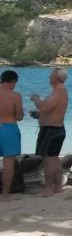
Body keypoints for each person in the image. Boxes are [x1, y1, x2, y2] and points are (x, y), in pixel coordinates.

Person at [31, 68, 69, 196]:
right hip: (54, 128)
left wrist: (36, 98)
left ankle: (48, 188)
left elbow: (45, 107)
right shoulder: (59, 92)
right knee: (54, 159)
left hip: (52, 130)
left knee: (49, 160)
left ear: (57, 77)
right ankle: (58, 186)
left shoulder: (59, 92)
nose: (48, 77)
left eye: (51, 75)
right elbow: (49, 110)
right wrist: (39, 115)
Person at [0, 69, 24, 201]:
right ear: (13, 81)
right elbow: (19, 117)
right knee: (8, 163)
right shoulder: (15, 95)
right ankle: (5, 195)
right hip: (9, 128)